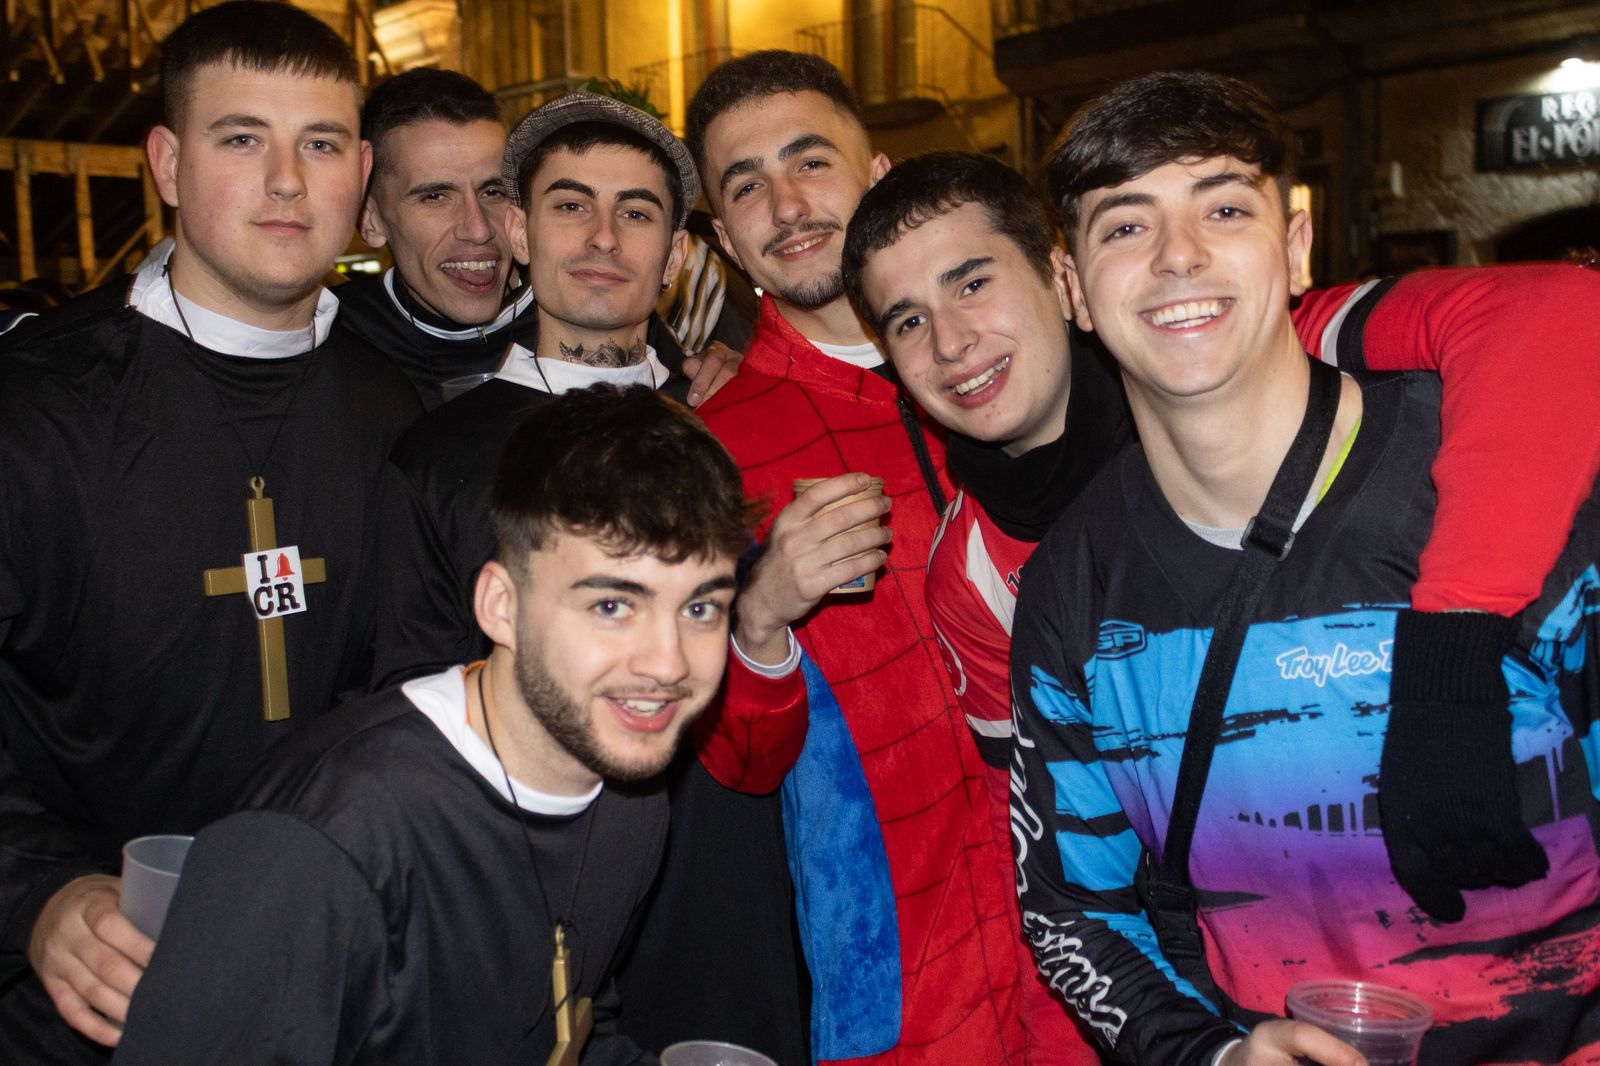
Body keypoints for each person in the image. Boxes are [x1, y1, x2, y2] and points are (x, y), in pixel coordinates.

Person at [1009, 70, 1600, 1064]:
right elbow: (1073, 910)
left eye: (1224, 207)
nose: (1177, 257)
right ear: (1071, 288)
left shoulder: (1509, 485)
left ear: (1293, 249)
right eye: (1123, 227)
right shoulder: (1074, 584)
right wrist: (1215, 1055)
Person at [841, 147, 1600, 861]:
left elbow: (1558, 311)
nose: (950, 342)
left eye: (973, 284)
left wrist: (1457, 631)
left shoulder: (1227, 345)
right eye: (908, 320)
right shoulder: (967, 578)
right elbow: (1063, 837)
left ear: (1062, 280)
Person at [0, 3, 420, 1062]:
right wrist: (35, 893)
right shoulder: (33, 409)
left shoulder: (404, 415)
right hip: (90, 1000)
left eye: (320, 144)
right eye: (242, 139)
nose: (288, 180)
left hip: (340, 986)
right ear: (169, 164)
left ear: (360, 172)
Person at [112, 384, 750, 1064]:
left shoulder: (630, 787)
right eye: (613, 606)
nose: (667, 663)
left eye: (701, 609)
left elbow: (572, 1026)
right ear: (500, 607)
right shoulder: (322, 844)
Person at [371, 91, 809, 1063]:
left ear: (674, 252)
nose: (604, 237)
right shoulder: (436, 459)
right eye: (571, 205)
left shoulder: (729, 429)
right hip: (537, 923)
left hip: (735, 904)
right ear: (520, 231)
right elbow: (411, 720)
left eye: (639, 212)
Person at [684, 50, 1066, 1064]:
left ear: (879, 174)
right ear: (723, 237)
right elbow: (734, 762)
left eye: (811, 161)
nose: (788, 203)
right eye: (746, 184)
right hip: (908, 995)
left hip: (1115, 953)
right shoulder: (708, 448)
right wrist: (759, 617)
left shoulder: (1010, 366)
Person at [338, 68, 743, 410]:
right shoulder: (336, 341)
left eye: (493, 191)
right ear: (370, 219)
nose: (477, 229)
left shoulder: (585, 307)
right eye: (434, 196)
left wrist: (728, 372)